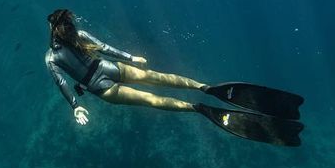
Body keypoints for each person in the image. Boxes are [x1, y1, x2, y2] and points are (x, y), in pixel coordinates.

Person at [44, 9, 305, 146]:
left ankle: (202, 95)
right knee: (154, 95)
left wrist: (130, 58)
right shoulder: (59, 52)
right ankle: (199, 101)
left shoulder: (70, 43)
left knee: (158, 86)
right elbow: (66, 80)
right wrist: (76, 105)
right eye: (69, 26)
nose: (72, 29)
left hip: (105, 75)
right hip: (104, 81)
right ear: (60, 29)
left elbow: (101, 50)